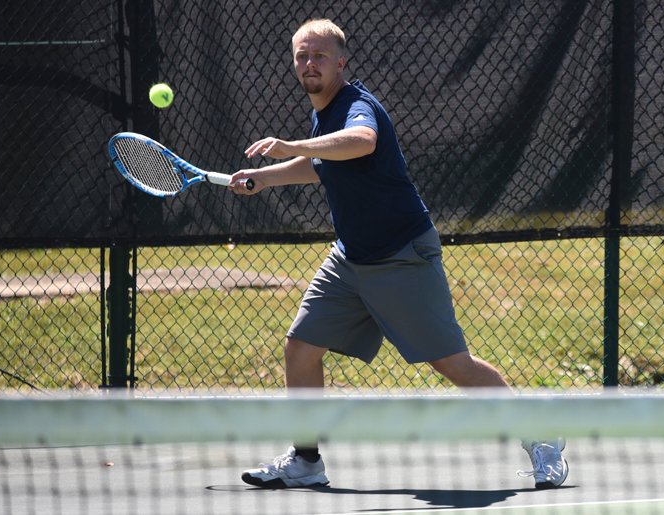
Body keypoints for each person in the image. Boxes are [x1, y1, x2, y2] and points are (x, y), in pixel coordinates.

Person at [229, 18, 568, 490]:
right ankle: (307, 461)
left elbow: (361, 142)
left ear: (341, 63)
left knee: (453, 364)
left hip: (402, 254)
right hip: (352, 258)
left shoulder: (356, 106)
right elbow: (324, 162)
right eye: (302, 56)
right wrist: (267, 176)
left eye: (319, 56)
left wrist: (292, 144)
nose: (309, 64)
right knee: (301, 348)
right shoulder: (323, 113)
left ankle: (540, 436)